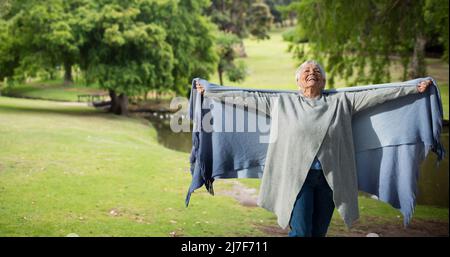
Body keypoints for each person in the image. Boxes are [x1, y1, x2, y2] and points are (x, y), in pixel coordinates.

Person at [195, 60, 432, 237]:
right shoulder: (281, 103)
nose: (312, 73)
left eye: (317, 71)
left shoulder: (342, 102)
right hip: (298, 179)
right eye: (307, 71)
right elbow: (247, 97)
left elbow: (377, 94)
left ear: (324, 81)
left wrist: (413, 88)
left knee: (318, 233)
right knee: (301, 232)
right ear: (298, 81)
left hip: (331, 180)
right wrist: (212, 91)